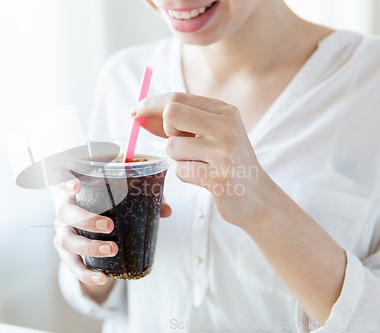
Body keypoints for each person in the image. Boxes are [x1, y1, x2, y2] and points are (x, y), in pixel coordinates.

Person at [54, 0, 380, 332]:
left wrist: (262, 204)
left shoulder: (370, 84)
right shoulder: (123, 75)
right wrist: (88, 249)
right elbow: (105, 297)